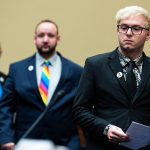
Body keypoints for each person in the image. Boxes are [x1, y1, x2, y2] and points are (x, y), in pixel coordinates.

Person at [73, 5, 150, 150]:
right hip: (104, 145)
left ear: (148, 34)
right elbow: (80, 110)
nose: (128, 33)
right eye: (124, 27)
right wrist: (106, 128)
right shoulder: (95, 65)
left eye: (136, 28)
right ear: (117, 30)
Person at [0, 19, 83, 150]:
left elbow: (82, 109)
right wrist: (6, 137)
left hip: (64, 143)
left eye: (50, 35)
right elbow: (6, 107)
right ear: (34, 38)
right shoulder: (17, 69)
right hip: (26, 142)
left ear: (58, 39)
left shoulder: (76, 71)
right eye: (41, 35)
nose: (45, 40)